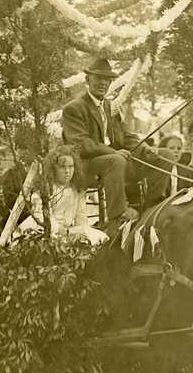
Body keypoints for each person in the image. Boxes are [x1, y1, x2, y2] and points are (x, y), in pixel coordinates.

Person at [60, 56, 149, 227]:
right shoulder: (74, 108)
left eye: (107, 79)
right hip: (83, 167)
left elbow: (125, 135)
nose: (103, 83)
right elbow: (81, 144)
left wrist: (145, 149)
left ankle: (151, 207)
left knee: (161, 154)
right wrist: (114, 152)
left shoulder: (109, 106)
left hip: (112, 162)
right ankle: (117, 217)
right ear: (87, 79)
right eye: (99, 78)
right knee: (116, 160)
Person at [19, 146, 109, 246]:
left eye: (71, 166)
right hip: (44, 228)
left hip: (68, 231)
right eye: (62, 167)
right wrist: (61, 230)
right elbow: (41, 215)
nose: (67, 171)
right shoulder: (46, 188)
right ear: (54, 169)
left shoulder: (77, 190)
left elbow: (81, 218)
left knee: (98, 237)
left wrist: (80, 232)